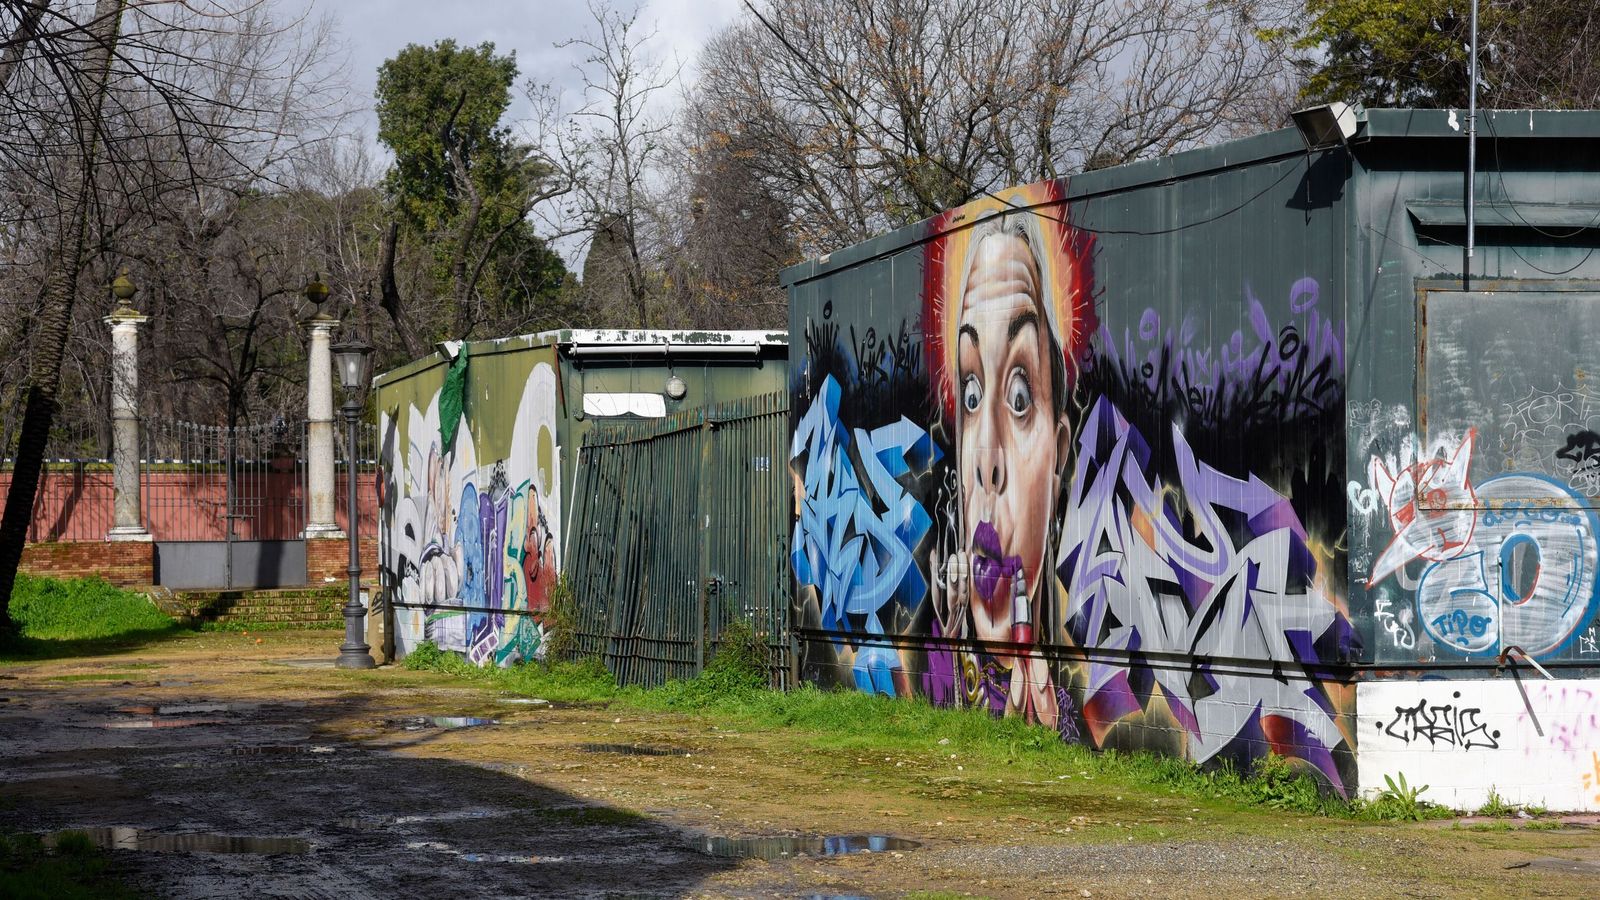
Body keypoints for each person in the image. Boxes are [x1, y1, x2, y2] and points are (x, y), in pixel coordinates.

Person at [931, 212, 1072, 728]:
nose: (988, 461)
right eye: (971, 394)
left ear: (1058, 456)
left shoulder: (1096, 696)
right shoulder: (929, 664)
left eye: (1019, 397)